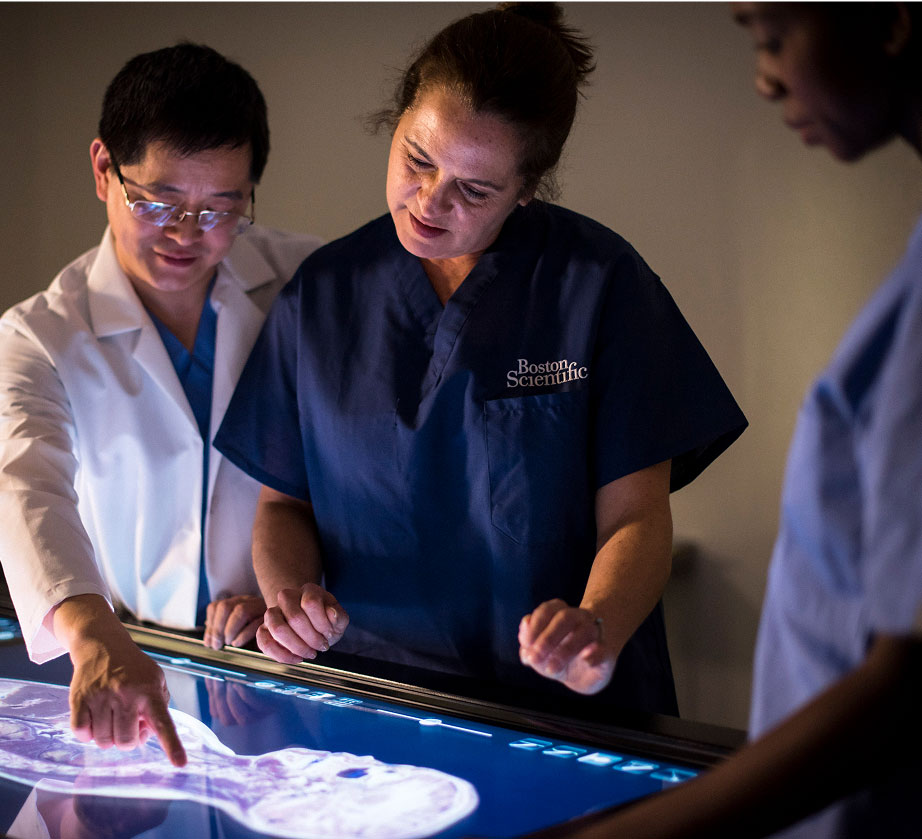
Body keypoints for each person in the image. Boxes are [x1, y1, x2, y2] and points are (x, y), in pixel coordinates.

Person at [215, 2, 746, 715]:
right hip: (374, 698)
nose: (431, 201)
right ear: (397, 118)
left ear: (526, 190)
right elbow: (283, 503)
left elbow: (637, 518)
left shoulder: (599, 283)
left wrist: (595, 627)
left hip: (563, 705)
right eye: (418, 160)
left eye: (475, 189)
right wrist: (291, 604)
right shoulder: (324, 291)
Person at [541, 3, 922, 837]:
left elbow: (907, 684)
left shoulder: (602, 280)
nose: (764, 76)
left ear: (893, 21)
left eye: (773, 37)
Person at [0, 43, 322, 767]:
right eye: (158, 202)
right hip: (129, 662)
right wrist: (92, 631)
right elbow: (28, 487)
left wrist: (293, 598)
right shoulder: (39, 336)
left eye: (220, 208)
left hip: (289, 674)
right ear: (101, 169)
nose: (186, 232)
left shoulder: (307, 283)